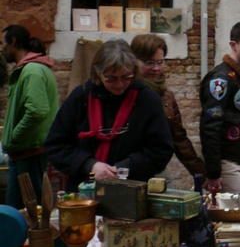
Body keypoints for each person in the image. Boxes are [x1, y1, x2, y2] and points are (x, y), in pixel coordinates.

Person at [45, 40, 174, 188]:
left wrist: (123, 168)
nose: (119, 84)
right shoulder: (80, 98)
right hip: (83, 190)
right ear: (98, 72)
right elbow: (56, 145)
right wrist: (89, 165)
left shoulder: (147, 100)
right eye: (111, 78)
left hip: (132, 189)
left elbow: (161, 149)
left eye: (126, 77)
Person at [130, 34, 205, 185]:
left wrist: (202, 174)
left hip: (157, 169)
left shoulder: (165, 96)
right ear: (134, 61)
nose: (156, 68)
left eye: (160, 62)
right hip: (127, 171)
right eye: (149, 62)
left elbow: (178, 139)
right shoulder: (125, 91)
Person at [1, 25, 59, 209]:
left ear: (13, 42)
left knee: (34, 213)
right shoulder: (28, 70)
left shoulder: (32, 71)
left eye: (3, 43)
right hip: (22, 153)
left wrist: (14, 136)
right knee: (16, 212)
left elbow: (37, 111)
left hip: (30, 153)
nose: (2, 48)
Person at [199, 22, 240, 192]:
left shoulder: (238, 75)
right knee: (233, 213)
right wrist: (213, 171)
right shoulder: (221, 79)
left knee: (236, 212)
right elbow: (210, 126)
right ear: (233, 45)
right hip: (226, 162)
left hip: (239, 158)